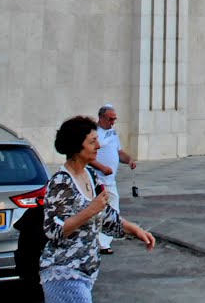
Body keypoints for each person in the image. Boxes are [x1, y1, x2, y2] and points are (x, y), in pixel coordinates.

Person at [40, 115, 155, 302]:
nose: (98, 147)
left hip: (86, 272)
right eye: (92, 142)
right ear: (77, 146)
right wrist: (90, 210)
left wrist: (135, 230)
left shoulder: (91, 175)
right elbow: (54, 231)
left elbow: (107, 217)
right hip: (63, 273)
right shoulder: (62, 182)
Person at [88, 104, 136, 254]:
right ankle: (99, 242)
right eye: (110, 119)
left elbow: (118, 151)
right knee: (99, 210)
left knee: (113, 209)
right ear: (101, 118)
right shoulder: (94, 133)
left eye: (114, 119)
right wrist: (102, 167)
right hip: (98, 179)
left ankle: (104, 241)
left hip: (110, 180)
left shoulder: (113, 132)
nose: (112, 122)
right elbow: (87, 156)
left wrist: (128, 159)